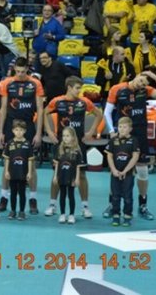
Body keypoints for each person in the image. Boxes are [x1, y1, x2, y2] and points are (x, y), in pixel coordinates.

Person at [104, 72, 156, 220]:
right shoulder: (117, 89)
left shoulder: (145, 90)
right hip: (122, 134)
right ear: (136, 76)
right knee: (116, 170)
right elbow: (107, 112)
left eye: (144, 83)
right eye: (140, 80)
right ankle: (112, 204)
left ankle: (143, 205)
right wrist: (111, 132)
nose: (140, 84)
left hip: (140, 135)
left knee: (142, 171)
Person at [43, 76, 103, 218]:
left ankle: (85, 207)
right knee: (57, 173)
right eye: (77, 88)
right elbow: (44, 113)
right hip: (61, 142)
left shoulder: (84, 102)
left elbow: (98, 114)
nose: (79, 91)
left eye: (80, 88)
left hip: (78, 143)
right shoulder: (57, 101)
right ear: (69, 88)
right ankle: (52, 204)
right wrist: (49, 132)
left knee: (81, 174)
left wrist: (91, 132)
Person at [0, 56, 44, 214]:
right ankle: (4, 198)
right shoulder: (7, 83)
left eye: (23, 71)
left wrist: (38, 133)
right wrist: (0, 131)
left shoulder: (35, 83)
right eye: (18, 71)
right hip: (10, 125)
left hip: (28, 125)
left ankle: (33, 200)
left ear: (27, 70)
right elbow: (3, 108)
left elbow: (40, 109)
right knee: (7, 163)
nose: (20, 74)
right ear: (14, 69)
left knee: (31, 164)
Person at [105, 117, 140, 227]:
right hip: (115, 173)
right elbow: (109, 156)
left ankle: (127, 216)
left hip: (128, 173)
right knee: (115, 195)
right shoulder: (113, 140)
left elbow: (135, 157)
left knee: (127, 196)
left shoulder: (134, 141)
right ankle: (115, 215)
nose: (122, 129)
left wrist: (125, 171)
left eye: (125, 127)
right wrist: (114, 170)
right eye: (120, 127)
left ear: (130, 129)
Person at [3, 119, 34, 221]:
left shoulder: (27, 144)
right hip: (12, 172)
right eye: (16, 130)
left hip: (22, 172)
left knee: (22, 192)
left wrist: (29, 172)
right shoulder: (10, 143)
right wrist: (6, 171)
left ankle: (22, 211)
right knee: (13, 192)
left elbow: (30, 160)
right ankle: (13, 211)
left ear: (24, 131)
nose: (18, 132)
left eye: (21, 130)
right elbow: (7, 159)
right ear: (13, 131)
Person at [52, 126, 82, 225]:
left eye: (68, 136)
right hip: (62, 176)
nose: (65, 138)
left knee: (71, 195)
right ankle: (62, 214)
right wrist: (55, 176)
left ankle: (72, 214)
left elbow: (78, 166)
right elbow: (57, 164)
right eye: (64, 136)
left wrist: (77, 178)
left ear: (73, 137)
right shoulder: (60, 149)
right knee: (62, 195)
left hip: (71, 176)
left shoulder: (77, 151)